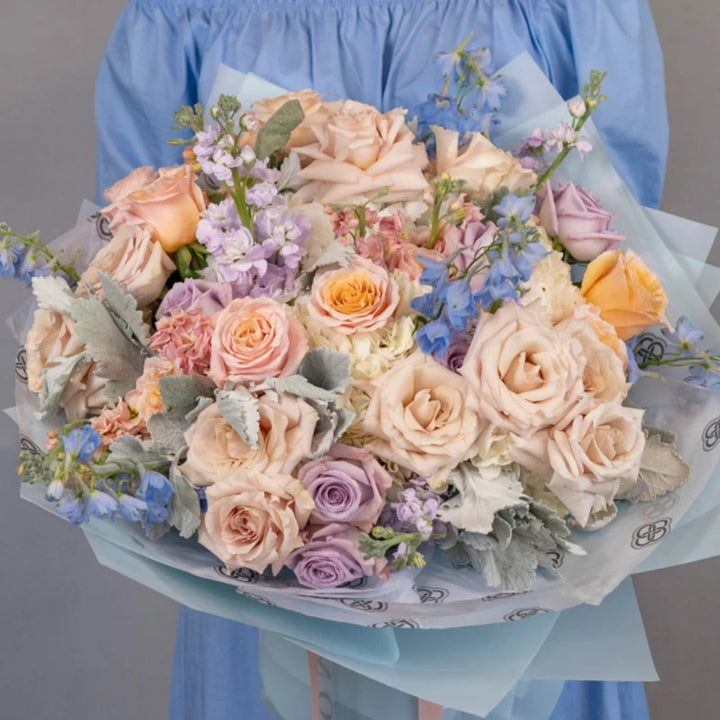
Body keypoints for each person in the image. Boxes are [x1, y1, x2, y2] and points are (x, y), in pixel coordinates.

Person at [95, 1, 667, 718]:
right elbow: (131, 302)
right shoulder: (187, 20)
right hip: (261, 548)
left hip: (514, 586)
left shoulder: (568, 15)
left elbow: (621, 294)